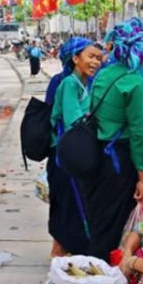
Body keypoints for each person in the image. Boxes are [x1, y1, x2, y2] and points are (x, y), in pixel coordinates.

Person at [78, 17, 143, 262]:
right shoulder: (136, 84)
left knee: (100, 216)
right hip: (120, 159)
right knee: (114, 222)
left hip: (98, 153)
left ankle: (94, 266)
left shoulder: (103, 74)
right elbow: (141, 133)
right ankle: (101, 275)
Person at [48, 37, 104, 258]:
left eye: (99, 58)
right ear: (75, 58)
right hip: (65, 155)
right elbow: (74, 122)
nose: (96, 62)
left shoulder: (85, 84)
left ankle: (66, 251)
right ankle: (59, 254)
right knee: (68, 205)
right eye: (91, 56)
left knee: (72, 204)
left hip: (73, 153)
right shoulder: (69, 84)